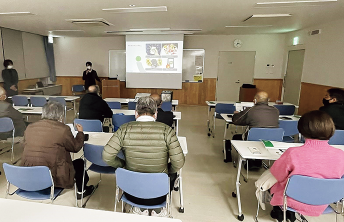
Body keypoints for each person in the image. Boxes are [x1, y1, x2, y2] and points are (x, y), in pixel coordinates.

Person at [102, 96, 185, 217]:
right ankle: (158, 210)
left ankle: (139, 209)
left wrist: (123, 165)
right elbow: (179, 163)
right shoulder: (167, 131)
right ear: (155, 114)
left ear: (136, 113)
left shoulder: (124, 129)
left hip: (131, 191)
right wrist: (167, 170)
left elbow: (106, 155)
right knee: (173, 174)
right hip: (159, 193)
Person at [269, 110, 344, 221]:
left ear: (302, 129)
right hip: (324, 200)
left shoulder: (293, 153)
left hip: (292, 199)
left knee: (271, 181)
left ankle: (280, 212)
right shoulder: (341, 154)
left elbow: (278, 174)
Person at [21, 101, 95, 199]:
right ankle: (81, 191)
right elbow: (75, 148)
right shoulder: (63, 129)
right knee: (80, 163)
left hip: (28, 174)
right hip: (52, 175)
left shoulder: (29, 127)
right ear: (60, 115)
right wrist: (80, 133)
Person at [229, 91, 279, 168]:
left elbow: (236, 121)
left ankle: (247, 160)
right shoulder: (276, 110)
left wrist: (236, 114)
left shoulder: (250, 110)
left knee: (236, 137)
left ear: (255, 100)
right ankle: (258, 160)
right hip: (272, 140)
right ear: (267, 100)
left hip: (253, 139)